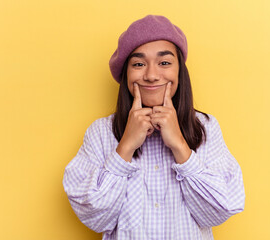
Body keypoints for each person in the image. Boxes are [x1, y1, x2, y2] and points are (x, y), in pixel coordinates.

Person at [63, 15, 245, 240]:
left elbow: (221, 209)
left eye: (164, 63)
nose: (150, 75)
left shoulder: (205, 127)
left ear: (180, 71)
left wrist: (180, 147)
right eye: (138, 64)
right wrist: (126, 147)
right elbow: (94, 216)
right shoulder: (101, 132)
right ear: (125, 74)